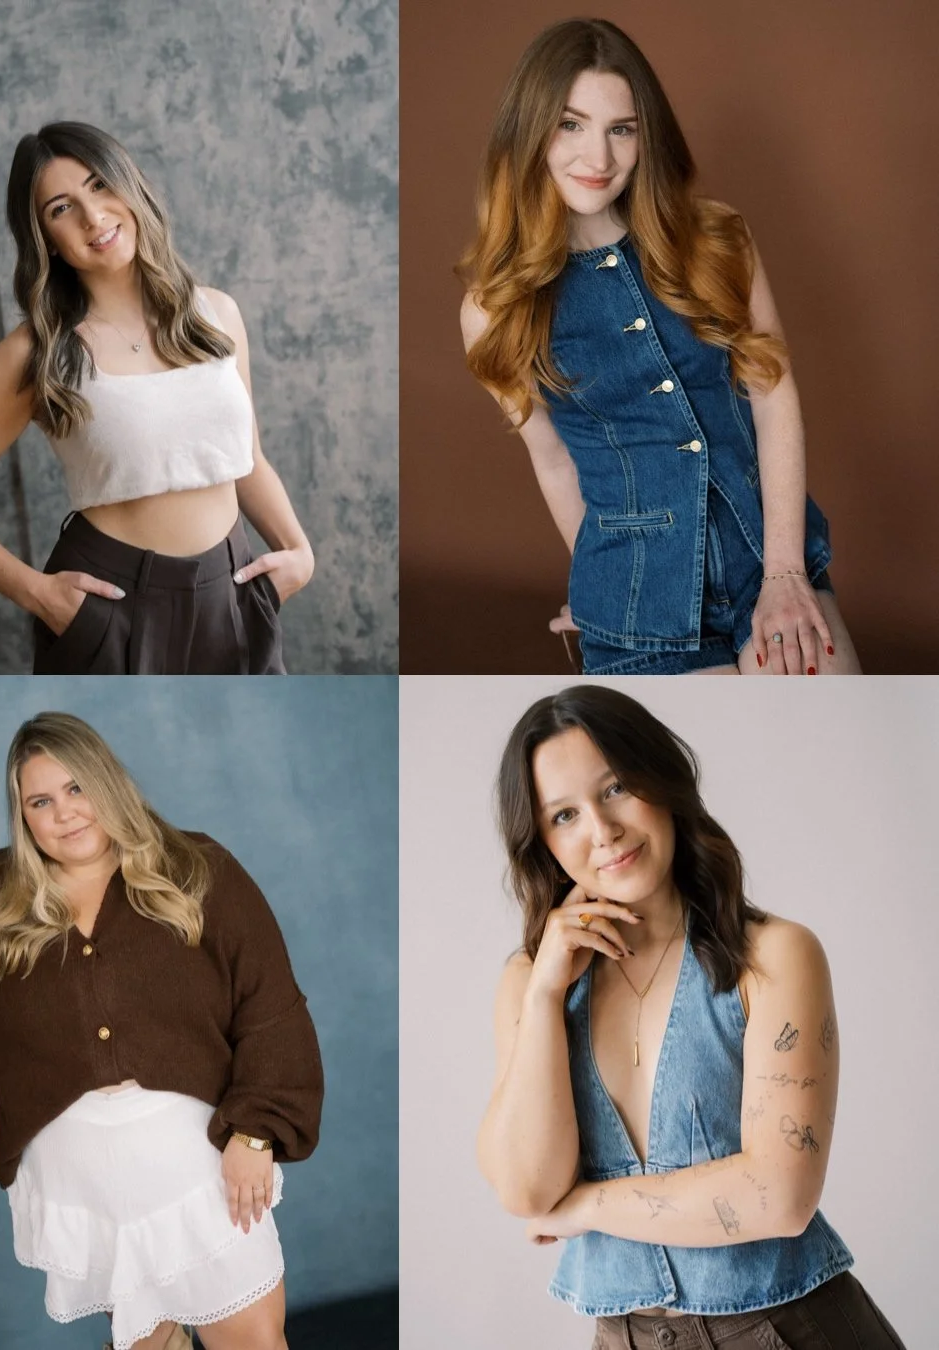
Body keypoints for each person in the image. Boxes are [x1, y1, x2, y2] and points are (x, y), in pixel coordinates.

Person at [0, 712, 324, 1350]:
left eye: (76, 788)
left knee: (254, 1340)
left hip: (195, 1159)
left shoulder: (196, 868)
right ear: (23, 817)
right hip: (83, 1174)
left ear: (108, 783)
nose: (64, 813)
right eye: (40, 801)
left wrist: (257, 1131)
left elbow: (270, 1005)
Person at [478, 685, 904, 1347]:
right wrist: (543, 996)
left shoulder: (774, 957)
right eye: (564, 815)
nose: (602, 830)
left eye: (616, 787)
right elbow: (527, 1191)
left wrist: (585, 1206)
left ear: (663, 781)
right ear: (542, 842)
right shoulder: (530, 983)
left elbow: (780, 1197)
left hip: (789, 1328)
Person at [459, 20, 862, 676]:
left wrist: (786, 573)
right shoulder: (493, 309)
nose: (598, 158)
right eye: (570, 124)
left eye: (622, 129)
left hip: (768, 558)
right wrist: (597, 586)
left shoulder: (717, 238)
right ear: (529, 130)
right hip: (636, 599)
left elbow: (773, 392)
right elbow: (554, 460)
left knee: (835, 732)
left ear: (647, 136)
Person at [0, 122, 313, 675]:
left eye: (99, 185)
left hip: (234, 592)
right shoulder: (36, 353)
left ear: (130, 185)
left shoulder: (217, 315)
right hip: (113, 608)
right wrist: (38, 593)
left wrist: (298, 551)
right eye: (61, 208)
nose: (93, 217)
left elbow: (246, 458)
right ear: (45, 237)